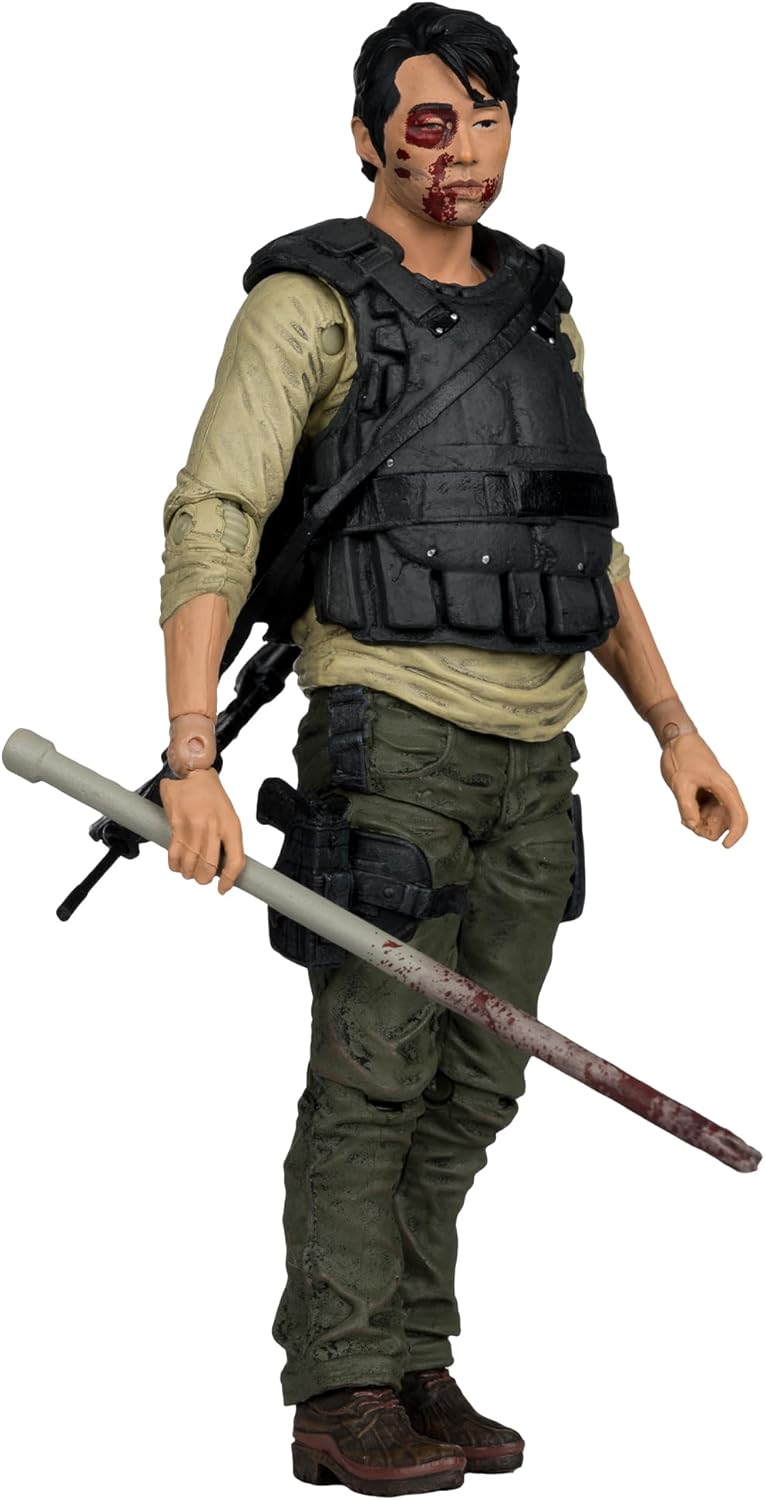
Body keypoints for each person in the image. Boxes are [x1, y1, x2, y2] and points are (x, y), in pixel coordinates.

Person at [157, 5, 748, 1493]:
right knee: (375, 1069)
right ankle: (340, 1384)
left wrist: (674, 727)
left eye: (488, 118)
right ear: (366, 135)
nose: (463, 148)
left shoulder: (540, 315)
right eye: (433, 118)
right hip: (392, 746)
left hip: (537, 762)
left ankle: (413, 1353)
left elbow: (582, 545)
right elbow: (214, 514)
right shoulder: (307, 309)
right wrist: (192, 755)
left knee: (479, 1082)